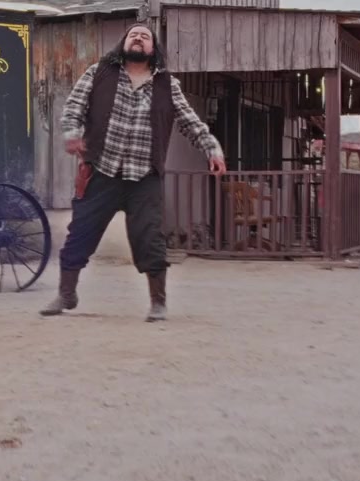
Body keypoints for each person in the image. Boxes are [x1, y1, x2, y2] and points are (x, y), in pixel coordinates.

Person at [40, 23, 226, 322]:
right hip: (101, 171)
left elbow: (191, 123)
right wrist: (72, 133)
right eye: (133, 35)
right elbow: (74, 107)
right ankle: (66, 293)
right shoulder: (99, 73)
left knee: (149, 237)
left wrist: (212, 149)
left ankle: (158, 302)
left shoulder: (168, 85)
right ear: (124, 43)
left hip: (143, 177)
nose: (138, 38)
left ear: (153, 49)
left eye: (145, 36)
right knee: (80, 234)